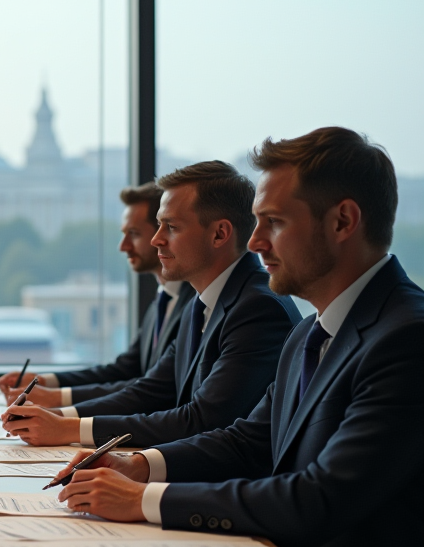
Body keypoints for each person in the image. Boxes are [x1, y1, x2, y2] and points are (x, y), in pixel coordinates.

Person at [51, 128, 422, 547]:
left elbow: (318, 498)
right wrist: (138, 465)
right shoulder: (308, 333)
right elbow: (249, 440)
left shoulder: (408, 339)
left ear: (343, 222)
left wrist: (144, 499)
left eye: (274, 222)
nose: (255, 241)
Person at [3, 161, 301, 448]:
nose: (157, 240)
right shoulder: (201, 303)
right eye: (159, 226)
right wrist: (58, 417)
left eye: (170, 227)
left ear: (220, 234)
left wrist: (67, 426)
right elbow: (152, 388)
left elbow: (202, 420)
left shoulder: (258, 308)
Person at [0, 182, 196, 407]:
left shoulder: (194, 303)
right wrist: (45, 382)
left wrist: (56, 401)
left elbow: (153, 387)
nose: (123, 246)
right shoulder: (163, 298)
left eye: (134, 234)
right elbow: (124, 370)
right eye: (124, 234)